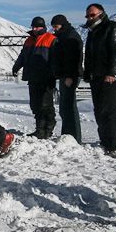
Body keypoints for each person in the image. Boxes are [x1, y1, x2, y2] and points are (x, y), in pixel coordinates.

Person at [82, 3, 116, 156]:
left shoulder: (112, 27)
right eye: (87, 15)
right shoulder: (93, 32)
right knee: (99, 109)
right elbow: (89, 55)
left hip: (111, 76)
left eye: (92, 15)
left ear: (101, 13)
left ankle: (114, 146)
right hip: (97, 76)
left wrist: (112, 72)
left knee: (109, 109)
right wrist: (87, 73)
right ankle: (105, 141)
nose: (89, 17)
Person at [11, 17, 56, 138]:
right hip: (32, 77)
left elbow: (55, 59)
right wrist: (16, 67)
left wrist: (53, 75)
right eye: (33, 27)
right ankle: (40, 129)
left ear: (43, 27)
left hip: (45, 78)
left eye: (38, 27)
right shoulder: (29, 40)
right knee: (35, 105)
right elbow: (22, 56)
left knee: (45, 105)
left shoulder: (51, 39)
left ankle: (49, 128)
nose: (35, 29)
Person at [49, 14, 83, 143]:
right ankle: (68, 135)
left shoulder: (70, 37)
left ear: (62, 24)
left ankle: (74, 137)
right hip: (64, 75)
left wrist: (70, 76)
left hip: (69, 76)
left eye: (56, 26)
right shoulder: (64, 36)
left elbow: (72, 59)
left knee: (69, 106)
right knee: (64, 107)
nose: (54, 29)